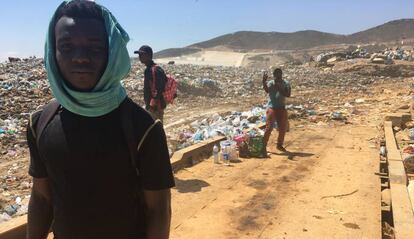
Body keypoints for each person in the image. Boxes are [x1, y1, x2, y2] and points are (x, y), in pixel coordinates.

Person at [26, 1, 174, 239]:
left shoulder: (143, 128)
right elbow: (42, 198)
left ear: (112, 52)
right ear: (52, 51)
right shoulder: (40, 124)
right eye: (66, 46)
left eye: (95, 48)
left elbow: (158, 209)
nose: (80, 58)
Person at [134, 45, 167, 122]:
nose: (139, 57)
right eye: (139, 54)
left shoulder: (154, 70)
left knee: (156, 126)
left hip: (155, 106)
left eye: (142, 54)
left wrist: (152, 104)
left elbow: (159, 88)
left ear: (149, 55)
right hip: (152, 105)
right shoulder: (148, 69)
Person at [262, 68, 291, 153]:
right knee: (269, 127)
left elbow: (288, 94)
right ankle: (263, 145)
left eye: (278, 76)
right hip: (272, 108)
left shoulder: (286, 83)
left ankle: (279, 144)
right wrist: (264, 82)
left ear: (281, 75)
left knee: (282, 127)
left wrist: (279, 88)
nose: (276, 78)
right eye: (275, 76)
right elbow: (267, 90)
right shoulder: (271, 83)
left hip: (281, 108)